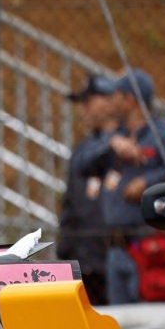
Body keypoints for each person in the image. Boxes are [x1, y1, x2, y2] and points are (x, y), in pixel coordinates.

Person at [74, 68, 165, 304]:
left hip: (149, 246)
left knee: (153, 319)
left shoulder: (163, 133)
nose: (110, 101)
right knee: (121, 322)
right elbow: (81, 165)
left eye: (115, 95)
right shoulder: (116, 136)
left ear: (129, 100)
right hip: (116, 248)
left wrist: (149, 182)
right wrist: (111, 145)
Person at [58, 74, 117, 305]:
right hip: (84, 258)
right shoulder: (82, 150)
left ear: (108, 101)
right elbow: (69, 203)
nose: (84, 110)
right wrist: (65, 248)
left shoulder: (130, 144)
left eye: (88, 102)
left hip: (117, 253)